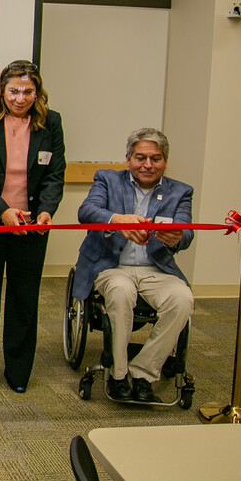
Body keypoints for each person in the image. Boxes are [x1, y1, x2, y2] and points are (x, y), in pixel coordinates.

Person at [0, 60, 65, 393]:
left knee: (24, 297)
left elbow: (54, 175)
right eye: (14, 91)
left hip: (32, 225)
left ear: (38, 93)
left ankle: (18, 373)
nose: (20, 98)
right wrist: (3, 211)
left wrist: (47, 210)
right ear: (2, 89)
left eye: (28, 92)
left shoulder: (51, 123)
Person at [73, 128, 194, 402]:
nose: (148, 165)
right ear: (128, 158)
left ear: (165, 161)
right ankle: (117, 375)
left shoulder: (181, 191)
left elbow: (187, 233)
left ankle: (143, 372)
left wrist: (177, 236)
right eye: (141, 157)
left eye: (156, 158)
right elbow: (87, 212)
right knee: (120, 290)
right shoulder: (107, 179)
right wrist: (117, 220)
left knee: (183, 298)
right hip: (112, 267)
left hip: (156, 269)